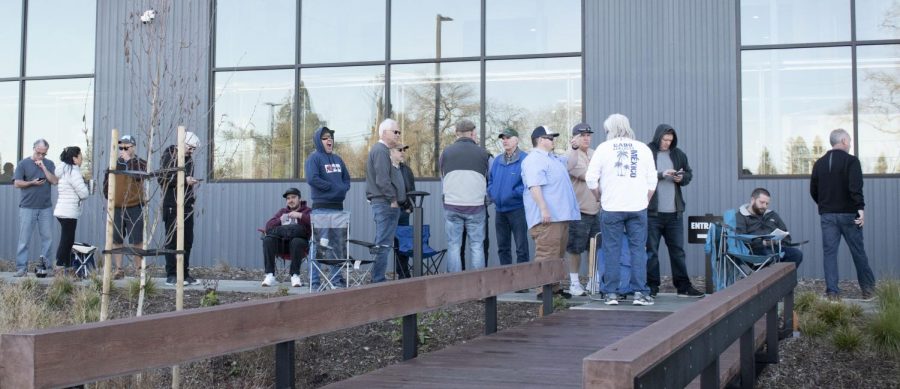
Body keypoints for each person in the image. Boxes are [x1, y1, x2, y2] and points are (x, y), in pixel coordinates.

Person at [585, 114, 658, 306]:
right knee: (638, 250)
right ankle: (640, 292)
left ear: (610, 130)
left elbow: (591, 178)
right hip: (637, 207)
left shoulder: (603, 148)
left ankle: (611, 293)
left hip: (611, 206)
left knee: (611, 249)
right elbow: (652, 180)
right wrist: (645, 200)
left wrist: (598, 196)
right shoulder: (642, 148)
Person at [810, 128, 876, 300]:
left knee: (830, 254)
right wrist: (860, 208)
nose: (850, 144)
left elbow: (813, 190)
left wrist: (825, 205)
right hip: (848, 214)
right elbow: (856, 187)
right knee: (858, 251)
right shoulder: (852, 161)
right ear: (844, 141)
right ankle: (868, 291)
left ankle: (832, 292)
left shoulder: (819, 163)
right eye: (850, 141)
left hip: (827, 216)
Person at [645, 124, 704, 298]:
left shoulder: (678, 154)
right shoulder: (646, 152)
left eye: (670, 140)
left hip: (674, 214)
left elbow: (689, 174)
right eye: (665, 140)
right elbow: (640, 175)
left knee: (678, 251)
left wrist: (681, 177)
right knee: (651, 252)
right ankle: (651, 287)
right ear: (658, 137)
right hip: (652, 213)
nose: (667, 143)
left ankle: (683, 287)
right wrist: (661, 174)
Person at [521, 126, 580, 299]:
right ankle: (543, 291)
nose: (553, 140)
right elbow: (534, 185)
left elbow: (571, 164)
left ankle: (553, 289)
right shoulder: (534, 159)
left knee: (557, 255)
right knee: (547, 254)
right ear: (540, 140)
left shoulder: (552, 158)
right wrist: (543, 209)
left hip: (559, 217)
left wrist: (574, 149)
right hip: (547, 218)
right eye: (550, 138)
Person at [439, 119, 491, 273]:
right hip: (476, 207)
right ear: (473, 133)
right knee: (476, 246)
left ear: (456, 134)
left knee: (454, 245)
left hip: (452, 206)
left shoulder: (445, 153)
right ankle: (478, 287)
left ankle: (455, 286)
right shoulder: (484, 154)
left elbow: (443, 177)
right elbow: (489, 178)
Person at [304, 126, 351, 289]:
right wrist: (333, 188)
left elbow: (347, 179)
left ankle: (335, 282)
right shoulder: (314, 158)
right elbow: (312, 179)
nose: (329, 140)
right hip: (321, 209)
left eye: (330, 137)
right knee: (319, 245)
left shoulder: (338, 159)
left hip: (338, 209)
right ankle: (314, 283)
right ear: (318, 141)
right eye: (325, 138)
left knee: (337, 246)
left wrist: (342, 188)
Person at [102, 135, 148, 280]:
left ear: (133, 147)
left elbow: (141, 176)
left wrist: (129, 160)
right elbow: (106, 184)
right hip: (117, 207)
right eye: (121, 148)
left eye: (126, 147)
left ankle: (139, 269)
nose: (123, 150)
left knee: (137, 239)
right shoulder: (113, 164)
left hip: (135, 206)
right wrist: (110, 197)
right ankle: (119, 269)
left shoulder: (140, 163)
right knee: (117, 240)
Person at [159, 131, 201, 286]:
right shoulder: (169, 156)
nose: (191, 152)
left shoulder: (189, 160)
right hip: (172, 205)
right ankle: (171, 274)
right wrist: (183, 180)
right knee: (172, 240)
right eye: (190, 148)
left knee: (187, 240)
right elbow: (162, 178)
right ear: (182, 143)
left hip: (187, 204)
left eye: (193, 149)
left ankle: (184, 273)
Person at [564, 123, 600, 297]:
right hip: (579, 210)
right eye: (582, 135)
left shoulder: (595, 154)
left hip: (597, 209)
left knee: (595, 248)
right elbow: (589, 176)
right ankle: (574, 283)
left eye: (588, 135)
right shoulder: (571, 156)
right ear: (574, 137)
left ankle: (594, 280)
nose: (586, 138)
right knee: (575, 249)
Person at [13, 139, 58, 277]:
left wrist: (43, 167)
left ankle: (46, 267)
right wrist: (32, 182)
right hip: (27, 207)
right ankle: (22, 268)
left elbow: (55, 181)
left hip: (45, 208)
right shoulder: (23, 164)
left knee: (47, 239)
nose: (40, 156)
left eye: (43, 154)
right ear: (34, 148)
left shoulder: (49, 164)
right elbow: (17, 183)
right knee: (24, 239)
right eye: (38, 153)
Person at [365, 119, 403, 283]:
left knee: (383, 242)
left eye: (398, 132)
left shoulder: (382, 150)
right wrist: (393, 199)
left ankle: (377, 277)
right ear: (384, 132)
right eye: (395, 132)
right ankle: (378, 279)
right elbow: (382, 180)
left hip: (384, 203)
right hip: (385, 203)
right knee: (383, 243)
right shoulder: (380, 151)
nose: (398, 135)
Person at [487, 128, 530, 268]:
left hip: (517, 209)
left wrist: (513, 194)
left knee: (521, 248)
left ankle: (522, 282)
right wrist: (492, 192)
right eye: (503, 138)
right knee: (503, 248)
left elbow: (528, 183)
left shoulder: (525, 159)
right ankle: (506, 280)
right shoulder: (498, 160)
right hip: (499, 210)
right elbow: (490, 180)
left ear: (516, 140)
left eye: (508, 138)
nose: (505, 141)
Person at [735, 188, 803, 266]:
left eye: (767, 204)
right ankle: (774, 276)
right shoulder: (741, 216)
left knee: (797, 254)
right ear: (753, 200)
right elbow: (740, 238)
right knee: (769, 255)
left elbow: (786, 236)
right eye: (762, 202)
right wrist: (763, 243)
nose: (764, 206)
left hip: (775, 248)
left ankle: (781, 277)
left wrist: (778, 241)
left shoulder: (772, 215)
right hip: (754, 251)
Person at [261, 188, 312, 287]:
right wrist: (280, 219)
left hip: (300, 246)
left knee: (297, 241)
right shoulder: (282, 211)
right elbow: (268, 226)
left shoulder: (307, 211)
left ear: (299, 199)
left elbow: (315, 222)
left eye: (293, 197)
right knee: (267, 239)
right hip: (282, 245)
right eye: (288, 198)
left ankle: (295, 275)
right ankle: (270, 275)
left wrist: (300, 215)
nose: (290, 200)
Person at [53, 146, 90, 276]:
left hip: (62, 209)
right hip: (69, 211)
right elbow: (84, 193)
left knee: (68, 239)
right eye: (80, 157)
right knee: (67, 240)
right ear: (74, 158)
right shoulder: (73, 172)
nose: (82, 159)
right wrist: (88, 188)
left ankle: (68, 267)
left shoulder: (64, 170)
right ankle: (59, 266)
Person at [392, 144, 416, 279]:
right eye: (399, 150)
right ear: (391, 152)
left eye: (404, 150)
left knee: (403, 244)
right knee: (385, 244)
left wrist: (409, 207)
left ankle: (403, 274)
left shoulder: (407, 170)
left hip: (403, 211)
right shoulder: (387, 169)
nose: (402, 153)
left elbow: (411, 189)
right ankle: (379, 279)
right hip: (390, 211)